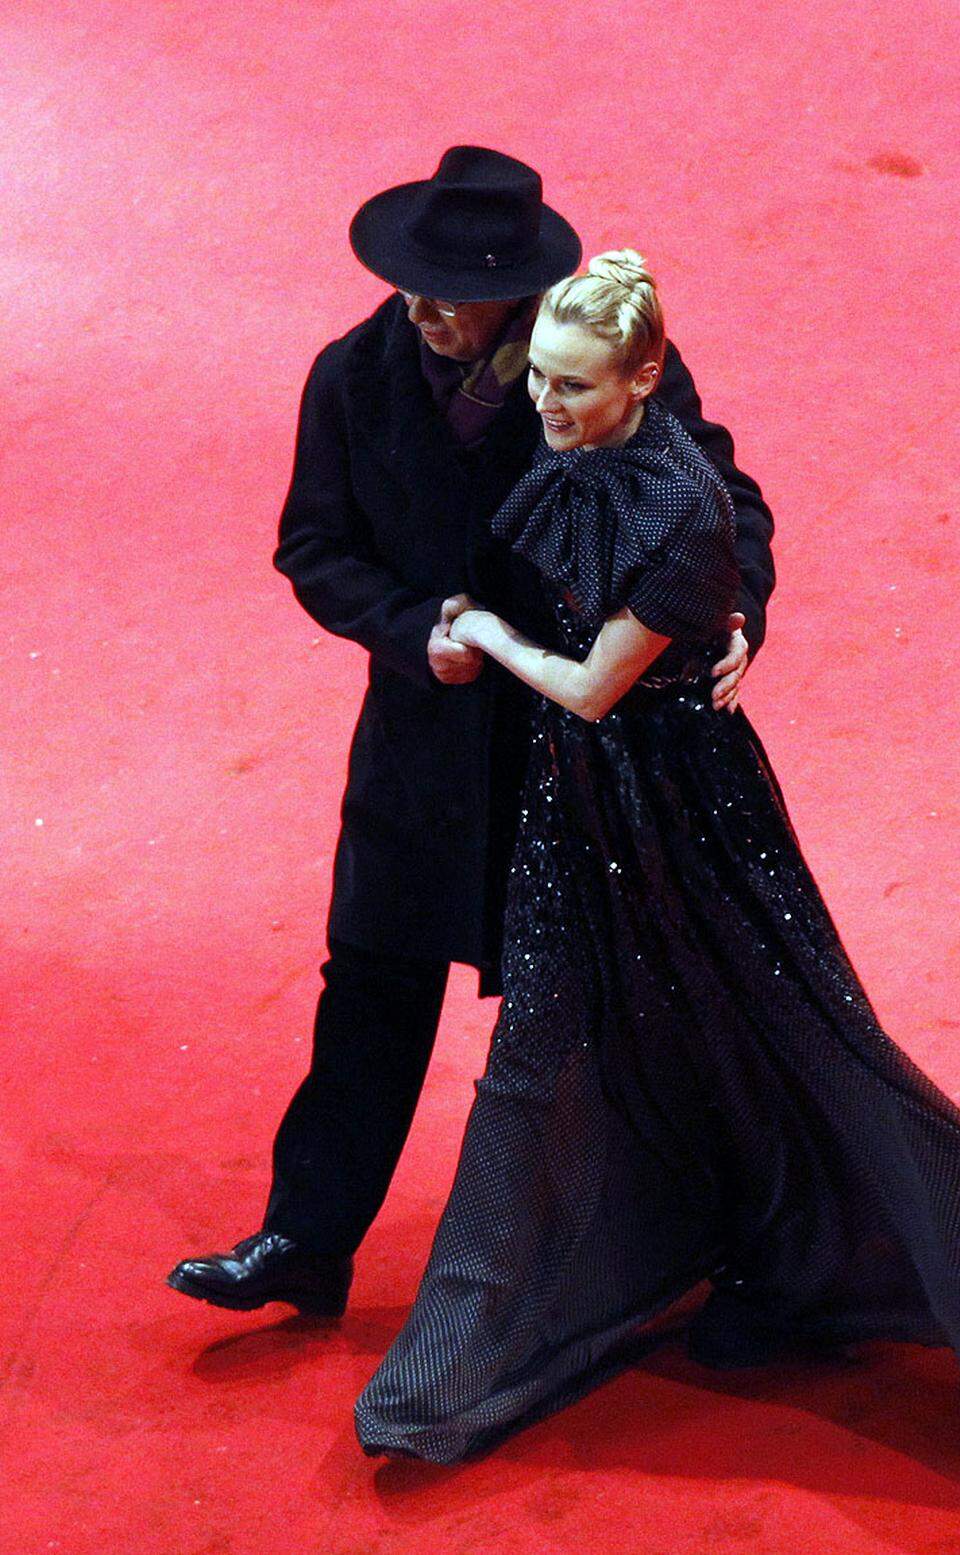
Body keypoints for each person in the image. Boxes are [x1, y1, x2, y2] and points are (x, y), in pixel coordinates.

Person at [353, 251, 960, 1468]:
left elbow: (583, 689)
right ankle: (512, 1334)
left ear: (646, 379)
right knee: (554, 1042)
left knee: (803, 1031)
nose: (548, 408)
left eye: (575, 387)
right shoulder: (573, 452)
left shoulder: (680, 510)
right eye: (543, 384)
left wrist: (481, 630)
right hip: (579, 805)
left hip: (682, 805)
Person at [165, 149, 776, 1317]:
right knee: (372, 983)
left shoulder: (594, 365)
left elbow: (719, 499)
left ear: (515, 287)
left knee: (627, 1001)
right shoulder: (351, 378)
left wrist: (734, 599)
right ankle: (305, 1237)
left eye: (448, 288)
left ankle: (718, 1238)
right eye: (410, 282)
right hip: (423, 748)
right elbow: (314, 548)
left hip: (585, 750)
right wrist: (409, 630)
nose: (421, 306)